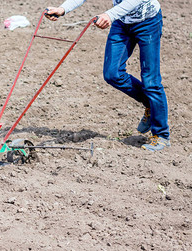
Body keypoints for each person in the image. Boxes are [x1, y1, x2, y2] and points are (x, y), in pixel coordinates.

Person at [45, 0, 170, 151]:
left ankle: (161, 135)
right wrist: (62, 9)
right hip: (122, 23)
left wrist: (109, 15)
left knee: (151, 81)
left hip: (148, 23)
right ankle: (151, 105)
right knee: (112, 74)